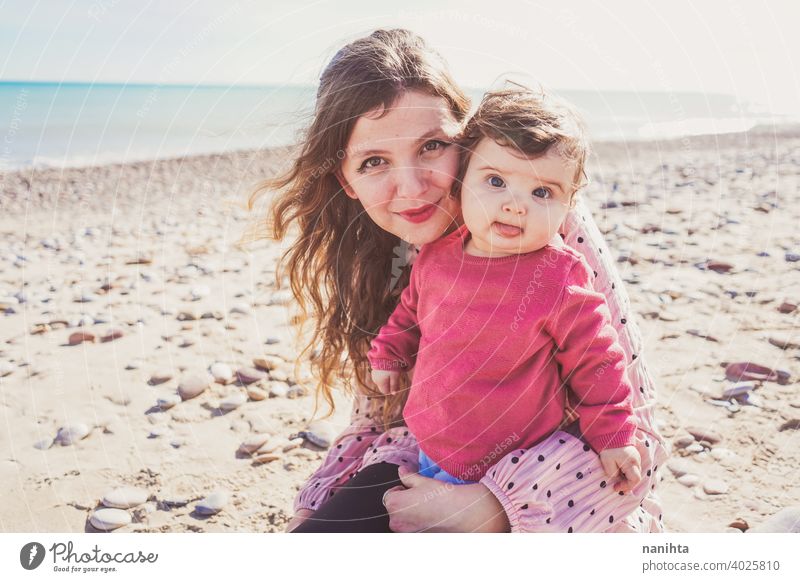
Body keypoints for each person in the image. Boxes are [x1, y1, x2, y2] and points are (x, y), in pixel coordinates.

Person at [250, 28, 668, 533]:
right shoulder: (379, 254)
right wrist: (315, 509)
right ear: (347, 181)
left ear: (467, 143)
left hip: (557, 504)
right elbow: (375, 420)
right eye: (374, 162)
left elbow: (635, 433)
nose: (411, 186)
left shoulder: (547, 232)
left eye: (432, 146)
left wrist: (490, 508)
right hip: (423, 462)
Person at [367, 87, 643, 492]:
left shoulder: (558, 276)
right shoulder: (436, 256)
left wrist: (614, 435)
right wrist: (390, 352)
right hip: (431, 438)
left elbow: (597, 361)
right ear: (461, 183)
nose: (517, 205)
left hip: (514, 465)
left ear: (568, 206)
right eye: (496, 180)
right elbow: (411, 311)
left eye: (542, 192)